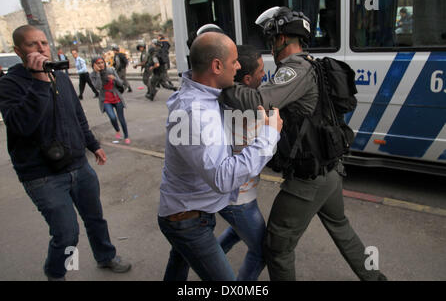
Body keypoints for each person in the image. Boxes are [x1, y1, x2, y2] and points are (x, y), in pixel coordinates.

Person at [220, 7, 387, 281]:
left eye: (271, 37)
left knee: (277, 248)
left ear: (283, 38)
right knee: (341, 228)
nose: (269, 44)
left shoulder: (296, 69)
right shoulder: (310, 63)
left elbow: (258, 101)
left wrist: (221, 84)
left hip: (308, 180)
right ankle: (376, 278)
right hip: (329, 171)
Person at [0, 25, 131, 281]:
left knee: (95, 219)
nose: (41, 49)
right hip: (42, 175)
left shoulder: (59, 76)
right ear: (18, 51)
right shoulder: (10, 84)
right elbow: (20, 126)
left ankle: (105, 256)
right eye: (32, 45)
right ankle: (57, 273)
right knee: (66, 233)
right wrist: (39, 82)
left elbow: (77, 116)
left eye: (43, 43)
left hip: (78, 165)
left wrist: (94, 145)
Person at [158, 31, 283, 281]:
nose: (238, 67)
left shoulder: (203, 95)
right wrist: (269, 135)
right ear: (216, 66)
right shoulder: (195, 111)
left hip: (191, 212)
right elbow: (223, 178)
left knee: (179, 261)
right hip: (187, 220)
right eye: (234, 61)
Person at [217, 45, 267, 281]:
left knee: (238, 232)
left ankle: (206, 258)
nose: (265, 76)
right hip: (240, 199)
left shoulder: (224, 100)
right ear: (247, 79)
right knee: (261, 251)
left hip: (230, 194)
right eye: (261, 72)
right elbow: (267, 150)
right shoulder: (253, 114)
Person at [90, 56, 131, 145]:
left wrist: (115, 78)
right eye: (98, 63)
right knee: (112, 117)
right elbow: (98, 87)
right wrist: (97, 73)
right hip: (105, 99)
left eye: (102, 62)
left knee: (121, 118)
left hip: (116, 97)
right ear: (94, 65)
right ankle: (117, 130)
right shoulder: (93, 75)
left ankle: (126, 136)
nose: (101, 65)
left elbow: (121, 83)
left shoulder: (111, 70)